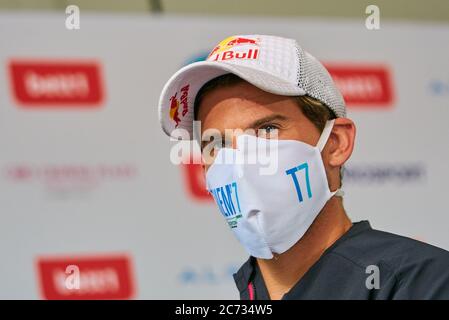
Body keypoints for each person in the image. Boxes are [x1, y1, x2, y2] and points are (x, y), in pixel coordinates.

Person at [158, 35, 449, 299]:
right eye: (217, 144)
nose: (240, 161)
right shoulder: (250, 287)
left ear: (335, 143)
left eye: (267, 130)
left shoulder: (422, 283)